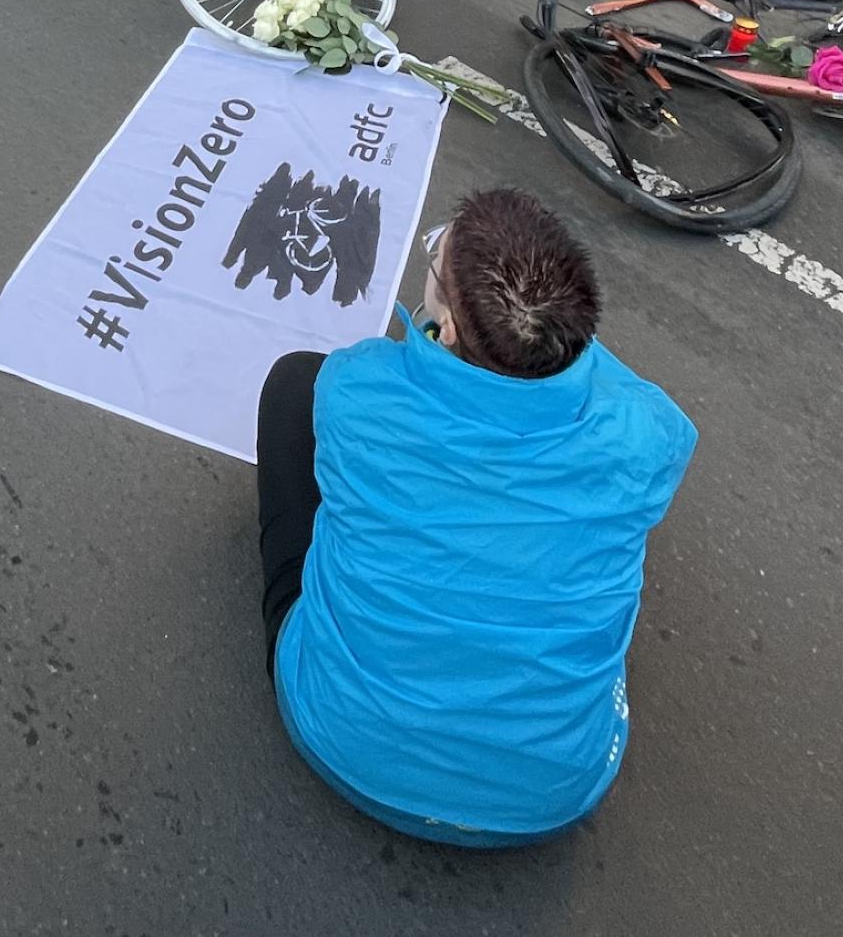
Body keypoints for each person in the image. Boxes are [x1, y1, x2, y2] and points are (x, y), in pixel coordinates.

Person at [260, 185, 693, 847]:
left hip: (341, 742)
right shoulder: (650, 432)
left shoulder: (353, 389)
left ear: (452, 328)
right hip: (552, 796)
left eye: (435, 260)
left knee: (292, 382)